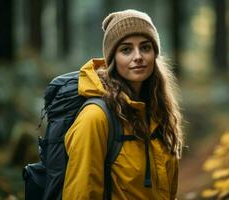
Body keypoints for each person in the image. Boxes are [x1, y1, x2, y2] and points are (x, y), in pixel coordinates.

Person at [62, 9, 184, 199]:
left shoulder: (158, 113)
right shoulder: (95, 118)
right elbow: (81, 193)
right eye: (126, 49)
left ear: (154, 54)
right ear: (113, 59)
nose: (138, 56)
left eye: (145, 47)